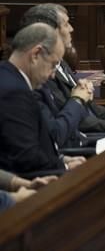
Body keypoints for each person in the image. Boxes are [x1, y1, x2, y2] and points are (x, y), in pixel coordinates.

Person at [21, 4, 105, 136]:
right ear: (51, 31)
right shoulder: (41, 72)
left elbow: (90, 108)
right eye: (66, 24)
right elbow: (71, 119)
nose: (72, 29)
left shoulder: (61, 62)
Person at [0, 23, 86, 174]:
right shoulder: (15, 92)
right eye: (53, 65)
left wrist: (60, 159)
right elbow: (25, 157)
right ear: (35, 55)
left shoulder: (7, 75)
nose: (53, 75)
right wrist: (64, 167)